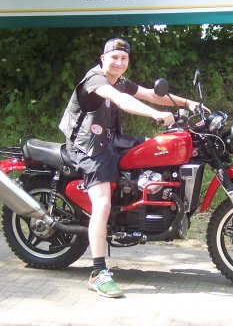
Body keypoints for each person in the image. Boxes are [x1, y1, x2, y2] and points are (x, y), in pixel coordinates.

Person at [58, 37, 202, 298]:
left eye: (123, 58)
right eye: (114, 57)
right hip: (87, 145)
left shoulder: (120, 80)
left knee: (155, 150)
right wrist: (154, 114)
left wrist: (187, 103)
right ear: (103, 59)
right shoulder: (95, 80)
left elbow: (150, 94)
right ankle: (98, 274)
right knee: (102, 203)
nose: (119, 62)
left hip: (110, 139)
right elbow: (121, 100)